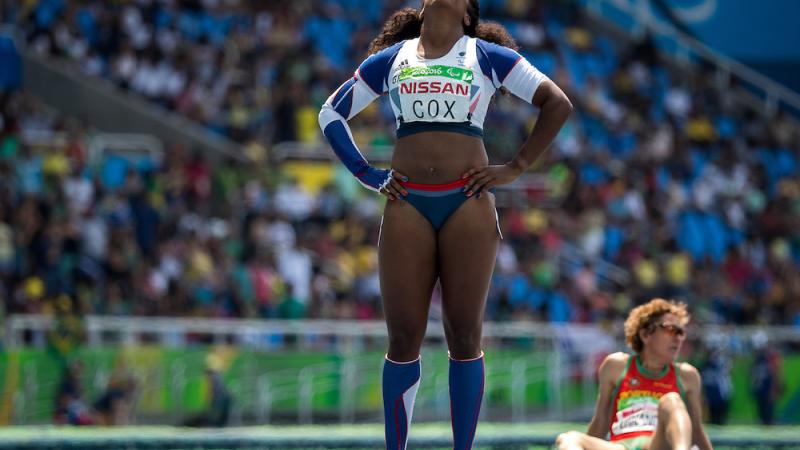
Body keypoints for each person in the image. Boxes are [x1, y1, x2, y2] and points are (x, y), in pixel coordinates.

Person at [318, 1, 572, 448]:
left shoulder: (488, 57)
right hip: (407, 201)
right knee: (402, 339)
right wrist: (368, 174)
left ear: (467, 12)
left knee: (464, 334)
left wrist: (516, 167)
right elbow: (330, 115)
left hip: (468, 202)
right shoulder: (392, 60)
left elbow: (557, 103)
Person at [555, 299, 713, 450]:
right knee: (569, 438)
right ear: (645, 334)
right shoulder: (616, 366)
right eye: (671, 329)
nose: (678, 338)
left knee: (671, 401)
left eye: (681, 332)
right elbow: (600, 423)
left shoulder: (687, 375)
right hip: (621, 446)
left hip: (656, 446)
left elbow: (697, 432)